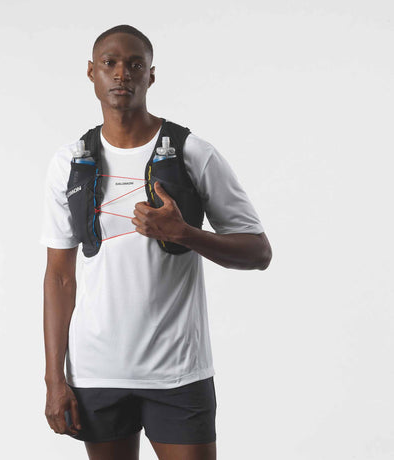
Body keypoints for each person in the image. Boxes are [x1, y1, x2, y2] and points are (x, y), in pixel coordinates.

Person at [40, 24, 272, 460]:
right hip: (96, 372)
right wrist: (55, 379)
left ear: (151, 75)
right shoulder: (69, 162)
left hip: (178, 372)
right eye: (109, 63)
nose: (121, 73)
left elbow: (259, 252)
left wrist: (185, 233)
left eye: (135, 64)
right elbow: (59, 278)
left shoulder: (192, 152)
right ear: (91, 72)